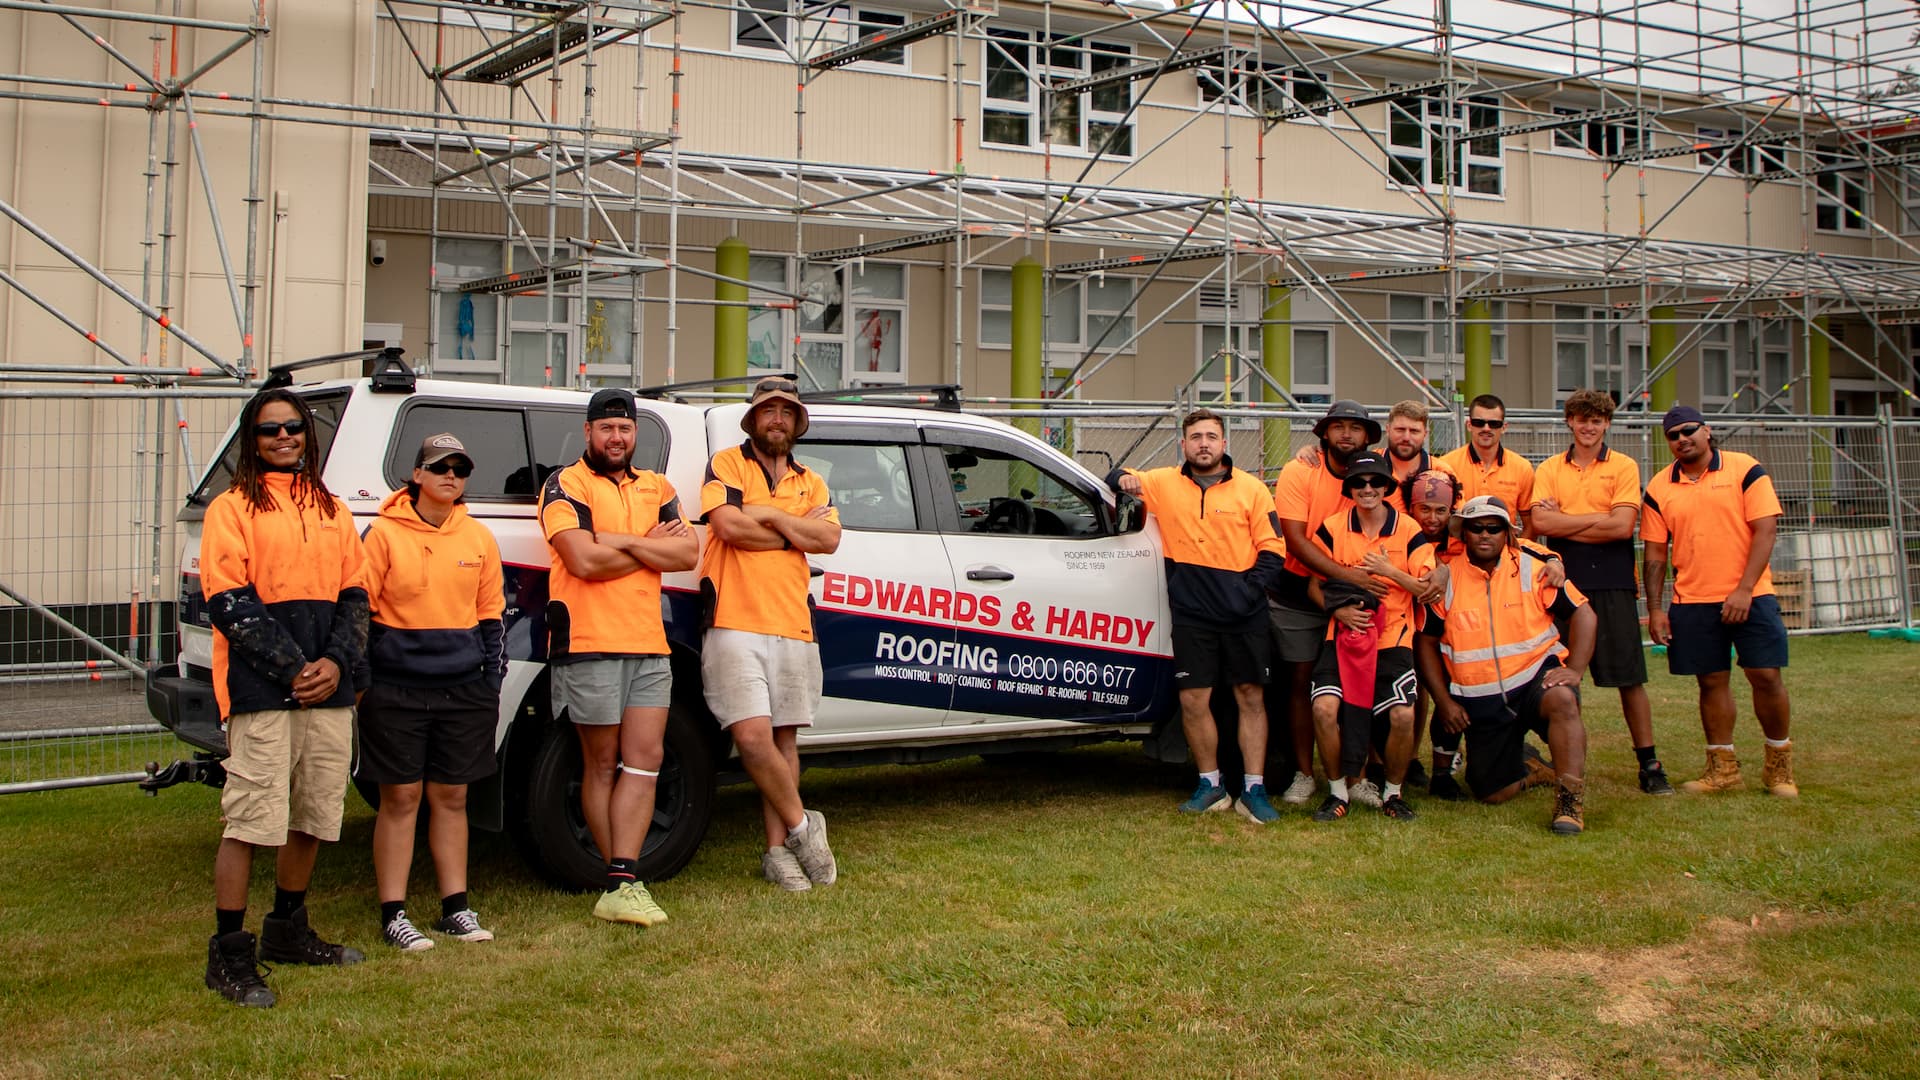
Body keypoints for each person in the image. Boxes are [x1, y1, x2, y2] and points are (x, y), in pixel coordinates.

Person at [199, 389, 371, 1008]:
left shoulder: (331, 508)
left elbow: (356, 596)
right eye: (269, 429)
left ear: (307, 434)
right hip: (262, 691)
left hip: (328, 690)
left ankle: (288, 930)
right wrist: (296, 669)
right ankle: (229, 953)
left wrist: (336, 664)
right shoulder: (231, 508)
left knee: (314, 816)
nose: (283, 437)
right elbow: (229, 602)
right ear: (252, 439)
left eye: (293, 426)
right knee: (251, 822)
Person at [541, 388, 698, 926]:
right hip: (589, 642)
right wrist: (646, 544)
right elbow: (582, 561)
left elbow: (686, 552)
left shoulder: (658, 486)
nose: (616, 437)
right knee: (602, 763)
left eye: (625, 428)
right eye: (606, 428)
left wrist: (616, 539)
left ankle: (623, 878)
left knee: (645, 760)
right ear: (588, 432)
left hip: (649, 644)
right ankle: (621, 882)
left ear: (636, 434)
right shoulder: (564, 483)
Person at [358, 434, 506, 951]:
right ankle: (393, 914)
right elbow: (359, 611)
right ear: (416, 475)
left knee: (452, 796)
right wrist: (364, 684)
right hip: (395, 688)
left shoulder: (479, 537)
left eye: (460, 469)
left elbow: (492, 617)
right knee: (400, 798)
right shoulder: (382, 534)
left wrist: (491, 683)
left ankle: (455, 908)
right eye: (440, 467)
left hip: (463, 689)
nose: (451, 476)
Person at [701, 376, 843, 890]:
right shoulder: (726, 464)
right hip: (734, 619)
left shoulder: (813, 480)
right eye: (768, 410)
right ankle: (804, 827)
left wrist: (764, 515)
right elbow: (728, 527)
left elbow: (828, 538)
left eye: (786, 411)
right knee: (751, 736)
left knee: (785, 738)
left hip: (793, 621)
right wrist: (793, 528)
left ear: (797, 421)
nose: (777, 419)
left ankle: (777, 852)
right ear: (753, 419)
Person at [1112, 408, 1286, 823]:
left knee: (1250, 697)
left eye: (1210, 437)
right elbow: (1114, 475)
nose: (1203, 444)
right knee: (1193, 700)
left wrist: (1247, 592)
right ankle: (1211, 784)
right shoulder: (1162, 483)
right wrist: (1122, 479)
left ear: (1224, 443)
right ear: (1183, 444)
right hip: (1192, 614)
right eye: (1195, 437)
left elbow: (1273, 550)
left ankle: (1254, 788)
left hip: (1245, 615)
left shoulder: (1252, 489)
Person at [1414, 496, 1595, 835]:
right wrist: (1444, 700)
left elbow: (1584, 614)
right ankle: (1532, 769)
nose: (1485, 535)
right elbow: (1425, 643)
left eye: (1494, 528)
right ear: (1463, 533)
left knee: (1562, 699)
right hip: (1481, 700)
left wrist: (1576, 670)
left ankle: (1569, 802)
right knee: (1491, 793)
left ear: (1507, 534)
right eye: (1476, 528)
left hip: (1535, 679)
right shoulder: (1446, 578)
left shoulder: (1534, 568)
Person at [1642, 406, 1796, 797]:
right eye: (1673, 435)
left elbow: (1765, 530)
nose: (1682, 439)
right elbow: (1655, 553)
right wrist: (1656, 609)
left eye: (1689, 430)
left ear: (1706, 431)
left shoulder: (1746, 469)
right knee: (1710, 681)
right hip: (1693, 599)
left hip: (1751, 595)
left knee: (1765, 675)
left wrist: (1744, 589)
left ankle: (1779, 766)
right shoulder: (1659, 487)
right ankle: (1722, 767)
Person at [1528, 389, 1674, 796]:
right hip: (1561, 580)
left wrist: (1565, 519)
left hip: (1613, 580)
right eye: (1581, 419)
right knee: (1554, 677)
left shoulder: (1624, 465)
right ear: (1569, 422)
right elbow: (1542, 524)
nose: (1588, 427)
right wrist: (1598, 520)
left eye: (1596, 420)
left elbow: (1623, 527)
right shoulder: (1550, 468)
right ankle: (1557, 761)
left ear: (1607, 424)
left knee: (1629, 677)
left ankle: (1649, 764)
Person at [1400, 469, 1566, 800]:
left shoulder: (1461, 537)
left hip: (1461, 624)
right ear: (1412, 508)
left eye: (1440, 510)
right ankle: (1421, 767)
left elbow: (1515, 545)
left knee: (1450, 693)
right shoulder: (1404, 533)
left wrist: (1552, 557)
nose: (1432, 517)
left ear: (1451, 512)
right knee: (1427, 695)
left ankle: (1445, 773)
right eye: (1424, 509)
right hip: (1411, 619)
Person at [1270, 399, 1389, 807]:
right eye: (1338, 426)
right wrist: (1348, 577)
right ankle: (1305, 773)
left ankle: (1360, 775)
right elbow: (1295, 541)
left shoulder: (1375, 473)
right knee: (1301, 683)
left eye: (1355, 428)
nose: (1346, 434)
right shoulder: (1300, 470)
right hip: (1299, 591)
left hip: (1355, 599)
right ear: (1324, 433)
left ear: (1368, 436)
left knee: (1361, 682)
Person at [1304, 453, 1428, 822]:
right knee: (1324, 709)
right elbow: (1314, 585)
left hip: (1392, 638)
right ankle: (1337, 792)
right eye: (1359, 482)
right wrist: (1337, 611)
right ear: (1350, 489)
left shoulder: (1407, 528)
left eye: (1375, 481)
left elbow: (1425, 589)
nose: (1368, 488)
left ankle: (1393, 793)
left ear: (1387, 487)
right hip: (1344, 635)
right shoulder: (1332, 527)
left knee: (1403, 715)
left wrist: (1389, 570)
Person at [1438, 394, 1536, 536]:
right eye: (1479, 422)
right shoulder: (1446, 465)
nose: (1486, 428)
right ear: (1469, 425)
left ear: (1504, 427)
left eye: (1493, 424)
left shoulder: (1522, 468)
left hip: (1504, 548)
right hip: (1458, 547)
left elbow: (1530, 524)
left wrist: (1516, 549)